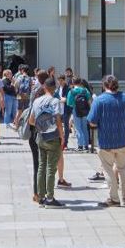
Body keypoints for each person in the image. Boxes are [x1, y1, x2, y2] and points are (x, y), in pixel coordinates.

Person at [88, 75, 125, 207]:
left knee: (108, 170)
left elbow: (92, 122)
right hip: (122, 140)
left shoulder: (99, 100)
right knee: (123, 168)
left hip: (106, 142)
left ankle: (114, 198)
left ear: (104, 86)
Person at [29, 77, 65, 207]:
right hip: (52, 137)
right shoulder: (55, 101)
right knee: (51, 168)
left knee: (41, 167)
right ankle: (50, 198)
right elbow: (58, 121)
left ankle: (41, 196)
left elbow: (31, 120)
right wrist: (62, 137)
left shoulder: (37, 101)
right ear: (54, 88)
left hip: (40, 137)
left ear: (44, 87)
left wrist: (40, 127)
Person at [68, 77, 93, 153]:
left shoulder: (71, 91)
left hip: (76, 111)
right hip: (85, 111)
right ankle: (86, 145)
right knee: (85, 128)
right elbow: (89, 101)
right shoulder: (85, 91)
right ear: (80, 82)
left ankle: (80, 145)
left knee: (78, 128)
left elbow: (69, 103)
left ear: (73, 82)